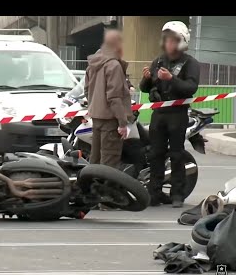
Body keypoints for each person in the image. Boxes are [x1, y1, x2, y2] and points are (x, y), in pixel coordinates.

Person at [139, 21, 200, 208]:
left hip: (177, 114)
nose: (168, 44)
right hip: (159, 113)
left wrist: (171, 79)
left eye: (173, 40)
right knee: (156, 153)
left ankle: (177, 194)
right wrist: (147, 79)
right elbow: (145, 88)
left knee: (176, 154)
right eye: (166, 40)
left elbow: (191, 87)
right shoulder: (158, 61)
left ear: (182, 41)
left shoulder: (190, 63)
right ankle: (155, 193)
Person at [84, 29, 133, 168]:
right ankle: (105, 189)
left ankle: (93, 187)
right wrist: (122, 123)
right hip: (111, 121)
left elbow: (86, 90)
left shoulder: (93, 65)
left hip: (97, 118)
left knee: (95, 159)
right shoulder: (113, 65)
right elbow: (114, 98)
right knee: (109, 163)